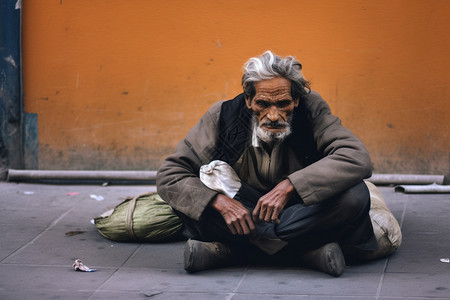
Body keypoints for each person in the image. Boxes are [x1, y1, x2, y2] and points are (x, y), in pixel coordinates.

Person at [156, 51, 377, 277]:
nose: (273, 116)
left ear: (297, 100)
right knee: (187, 200)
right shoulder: (223, 115)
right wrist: (218, 202)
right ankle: (303, 252)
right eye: (263, 104)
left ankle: (235, 252)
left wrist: (290, 186)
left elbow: (356, 158)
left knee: (355, 195)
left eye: (283, 104)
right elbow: (170, 176)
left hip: (297, 210)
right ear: (249, 101)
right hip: (243, 212)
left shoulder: (311, 110)